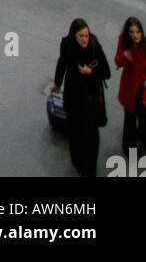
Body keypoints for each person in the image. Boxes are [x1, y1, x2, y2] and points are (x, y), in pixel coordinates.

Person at [51, 19, 111, 177]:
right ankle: (78, 161)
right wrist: (57, 83)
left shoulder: (94, 46)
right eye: (81, 36)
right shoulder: (67, 44)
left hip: (91, 97)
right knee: (76, 131)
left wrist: (90, 72)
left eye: (86, 35)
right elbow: (62, 62)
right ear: (73, 36)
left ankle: (90, 169)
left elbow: (106, 72)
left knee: (92, 135)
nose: (85, 39)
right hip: (74, 95)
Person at [114, 17, 146, 154]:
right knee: (130, 121)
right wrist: (125, 56)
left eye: (138, 32)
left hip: (142, 88)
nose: (135, 35)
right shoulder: (123, 41)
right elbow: (118, 61)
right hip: (129, 89)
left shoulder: (144, 45)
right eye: (132, 32)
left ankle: (142, 141)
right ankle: (129, 149)